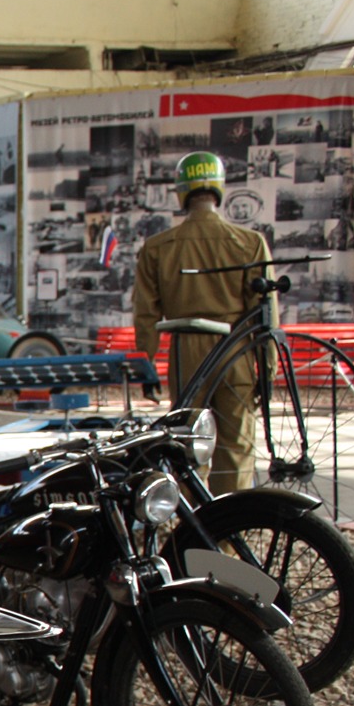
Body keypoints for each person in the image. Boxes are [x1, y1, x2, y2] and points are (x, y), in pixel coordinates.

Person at [132, 150, 271, 493]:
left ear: (182, 190)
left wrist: (145, 363)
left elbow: (146, 314)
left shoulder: (158, 247)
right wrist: (266, 369)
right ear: (219, 188)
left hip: (186, 354)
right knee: (236, 448)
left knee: (187, 445)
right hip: (236, 350)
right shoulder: (250, 243)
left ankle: (194, 526)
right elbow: (265, 314)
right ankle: (230, 528)